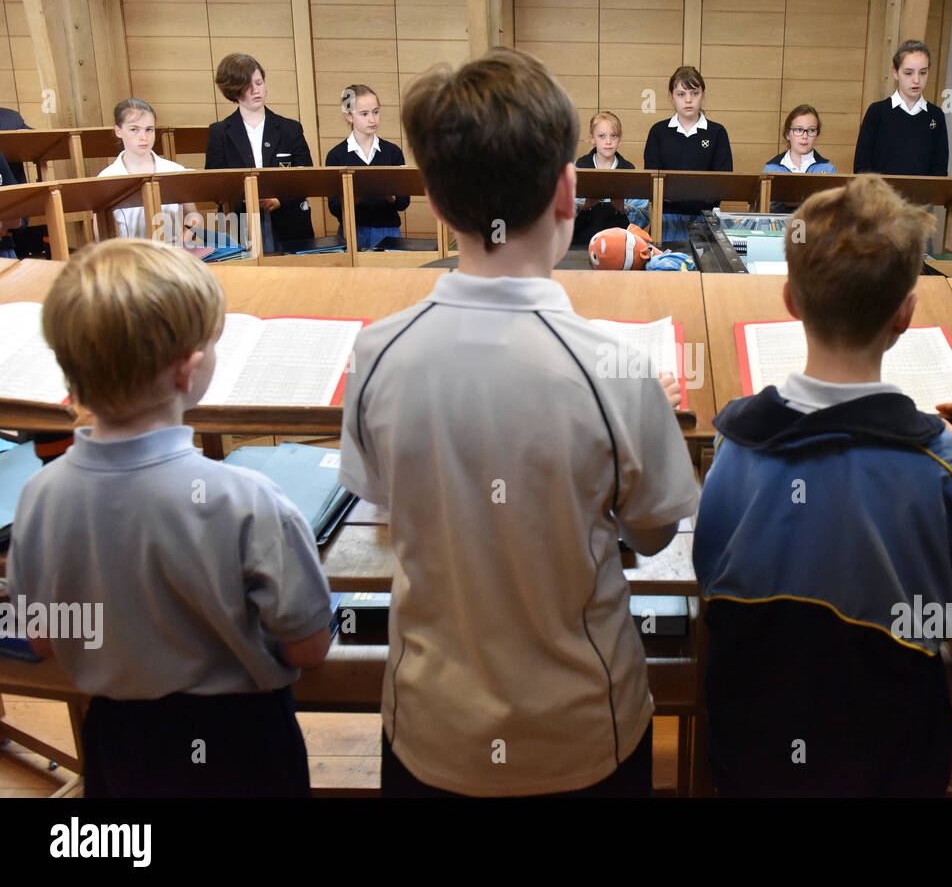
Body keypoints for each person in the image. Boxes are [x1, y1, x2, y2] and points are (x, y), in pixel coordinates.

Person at [340, 48, 699, 798]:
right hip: (579, 729)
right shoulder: (615, 371)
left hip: (429, 725)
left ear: (434, 204)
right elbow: (655, 532)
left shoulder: (377, 353)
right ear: (569, 190)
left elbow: (380, 498)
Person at [693, 174, 952, 796]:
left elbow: (713, 573)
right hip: (891, 754)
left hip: (752, 742)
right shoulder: (944, 459)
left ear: (790, 299)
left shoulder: (736, 445)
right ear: (906, 312)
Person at [7, 239, 333, 797]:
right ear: (189, 371)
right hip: (243, 744)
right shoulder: (247, 499)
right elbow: (309, 645)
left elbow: (40, 637)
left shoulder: (40, 497)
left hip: (120, 739)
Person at [205, 53, 314, 250]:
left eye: (259, 82)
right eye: (248, 86)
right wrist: (242, 196)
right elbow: (214, 184)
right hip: (240, 223)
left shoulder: (291, 128)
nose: (257, 90)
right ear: (233, 90)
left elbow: (306, 176)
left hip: (289, 222)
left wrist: (279, 200)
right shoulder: (219, 132)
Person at [97, 98, 200, 251]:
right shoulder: (106, 178)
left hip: (174, 256)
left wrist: (179, 244)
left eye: (149, 129)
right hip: (130, 259)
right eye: (134, 130)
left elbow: (194, 218)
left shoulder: (175, 171)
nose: (143, 137)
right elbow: (101, 236)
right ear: (118, 131)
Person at [643, 66, 733, 241]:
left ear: (703, 94)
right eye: (681, 94)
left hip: (705, 219)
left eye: (695, 93)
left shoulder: (717, 132)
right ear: (671, 97)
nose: (688, 100)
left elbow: (722, 182)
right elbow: (653, 179)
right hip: (666, 220)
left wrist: (683, 196)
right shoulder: (658, 131)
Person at [324, 84, 410, 249]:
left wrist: (391, 196)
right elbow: (334, 207)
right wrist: (354, 195)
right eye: (364, 114)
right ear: (349, 116)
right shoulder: (336, 156)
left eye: (376, 112)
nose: (372, 119)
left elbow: (404, 201)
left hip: (388, 230)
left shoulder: (392, 152)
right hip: (353, 230)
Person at [853, 40, 948, 176]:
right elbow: (862, 166)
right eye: (909, 73)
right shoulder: (877, 112)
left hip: (923, 196)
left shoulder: (936, 115)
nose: (916, 80)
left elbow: (940, 169)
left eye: (923, 73)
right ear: (896, 73)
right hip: (881, 195)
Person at [573, 111, 641, 245]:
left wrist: (622, 210)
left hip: (619, 244)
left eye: (613, 136)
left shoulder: (629, 171)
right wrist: (585, 208)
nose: (608, 142)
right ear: (592, 138)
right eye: (602, 136)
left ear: (619, 139)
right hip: (581, 242)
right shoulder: (578, 168)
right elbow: (563, 216)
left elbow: (642, 217)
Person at [762, 105, 836, 174]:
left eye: (811, 130)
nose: (805, 136)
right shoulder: (771, 169)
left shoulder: (828, 170)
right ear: (787, 134)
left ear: (817, 134)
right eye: (799, 130)